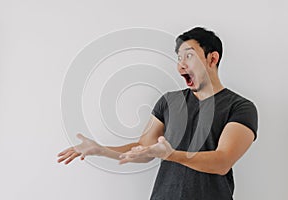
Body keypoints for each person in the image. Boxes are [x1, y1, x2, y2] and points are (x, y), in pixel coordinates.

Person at [57, 27, 258, 200]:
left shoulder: (240, 107)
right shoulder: (170, 102)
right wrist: (101, 150)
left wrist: (171, 155)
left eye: (189, 56)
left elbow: (222, 162)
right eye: (179, 58)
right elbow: (144, 149)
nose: (181, 65)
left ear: (212, 58)